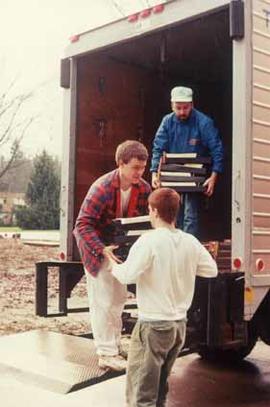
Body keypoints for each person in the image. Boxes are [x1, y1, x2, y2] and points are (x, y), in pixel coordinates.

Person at [111, 188, 218, 407]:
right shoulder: (190, 241)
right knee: (159, 390)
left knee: (141, 395)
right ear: (176, 212)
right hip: (178, 327)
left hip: (153, 326)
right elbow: (211, 270)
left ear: (154, 211)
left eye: (149, 210)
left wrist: (110, 263)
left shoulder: (148, 241)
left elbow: (126, 275)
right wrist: (183, 267)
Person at [73, 140, 151, 372]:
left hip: (119, 250)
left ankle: (114, 346)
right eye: (135, 167)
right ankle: (106, 353)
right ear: (120, 164)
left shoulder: (145, 188)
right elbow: (82, 224)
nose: (139, 172)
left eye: (143, 167)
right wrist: (101, 249)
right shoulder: (102, 187)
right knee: (102, 302)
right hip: (96, 248)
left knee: (117, 300)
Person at [150, 86, 224, 237]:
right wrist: (154, 174)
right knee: (172, 215)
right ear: (172, 106)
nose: (182, 112)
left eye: (185, 108)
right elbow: (158, 148)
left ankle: (188, 249)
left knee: (191, 215)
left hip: (194, 175)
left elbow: (217, 149)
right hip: (172, 174)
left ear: (192, 105)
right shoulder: (167, 122)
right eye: (178, 108)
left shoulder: (204, 123)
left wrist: (213, 177)